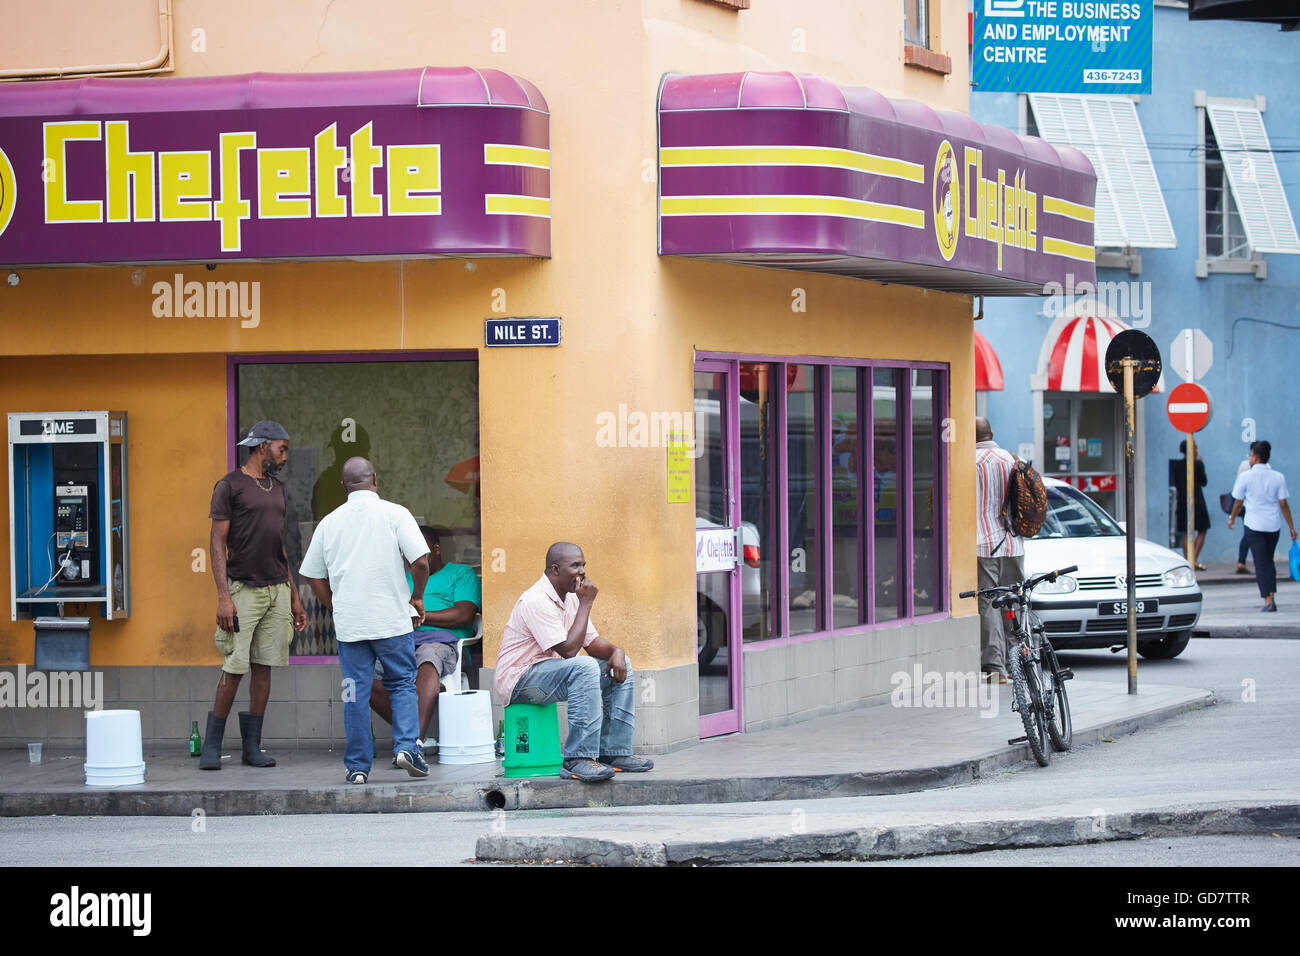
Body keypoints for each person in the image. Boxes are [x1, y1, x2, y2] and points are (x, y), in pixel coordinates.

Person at [299, 457, 431, 783]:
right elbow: (422, 562)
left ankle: (357, 767)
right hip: (392, 621)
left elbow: (312, 576)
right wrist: (417, 596)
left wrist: (333, 604)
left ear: (343, 486)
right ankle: (406, 747)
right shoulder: (396, 514)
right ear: (375, 478)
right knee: (401, 683)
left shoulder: (328, 523)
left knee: (353, 692)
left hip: (351, 625)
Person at [494, 542, 654, 782]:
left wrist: (616, 651)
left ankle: (614, 751)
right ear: (555, 570)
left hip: (551, 673)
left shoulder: (569, 598)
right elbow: (569, 650)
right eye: (575, 566)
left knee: (622, 664)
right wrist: (586, 603)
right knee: (585, 666)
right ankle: (577, 759)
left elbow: (590, 642)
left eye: (583, 565)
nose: (582, 572)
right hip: (520, 680)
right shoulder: (536, 600)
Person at [201, 420, 308, 771]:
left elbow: (281, 547)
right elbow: (216, 542)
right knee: (235, 668)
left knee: (264, 670)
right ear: (262, 447)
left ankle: (252, 747)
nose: (285, 456)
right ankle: (212, 746)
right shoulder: (229, 486)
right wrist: (223, 597)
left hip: (277, 589)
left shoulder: (278, 489)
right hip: (241, 589)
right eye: (282, 449)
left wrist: (293, 596)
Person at [370, 525, 481, 751]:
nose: (410, 556)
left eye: (416, 550)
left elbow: (464, 615)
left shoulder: (460, 573)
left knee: (428, 658)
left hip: (444, 642)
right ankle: (410, 733)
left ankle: (411, 745)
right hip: (403, 641)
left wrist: (420, 615)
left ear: (436, 549)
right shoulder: (403, 580)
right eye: (406, 551)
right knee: (364, 674)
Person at [974, 417, 1023, 682]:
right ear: (991, 433)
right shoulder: (1012, 459)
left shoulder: (969, 462)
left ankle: (995, 668)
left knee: (989, 602)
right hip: (1014, 542)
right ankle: (1019, 663)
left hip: (983, 543)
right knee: (1013, 599)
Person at [1228, 440, 1297, 612]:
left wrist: (1232, 518)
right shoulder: (1278, 476)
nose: (1249, 458)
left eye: (1251, 455)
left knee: (1260, 563)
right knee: (1269, 561)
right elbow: (1283, 504)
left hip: (1253, 525)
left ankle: (1267, 600)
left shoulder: (1245, 477)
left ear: (1256, 457)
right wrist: (1291, 527)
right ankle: (1271, 595)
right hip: (1273, 525)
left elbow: (1238, 501)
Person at [1172, 440, 1210, 570]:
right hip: (1197, 500)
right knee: (1202, 529)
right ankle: (1193, 560)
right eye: (1195, 447)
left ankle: (1189, 560)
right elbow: (1204, 482)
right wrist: (1201, 464)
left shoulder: (1177, 466)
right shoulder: (1197, 464)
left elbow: (1176, 484)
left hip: (1182, 500)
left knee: (1185, 533)